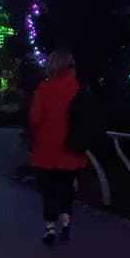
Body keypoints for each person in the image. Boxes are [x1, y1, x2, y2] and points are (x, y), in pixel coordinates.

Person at [27, 50, 88, 246]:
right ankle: (66, 224)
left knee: (49, 190)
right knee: (67, 188)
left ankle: (50, 229)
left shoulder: (44, 89)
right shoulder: (79, 88)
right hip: (71, 147)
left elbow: (35, 119)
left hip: (48, 147)